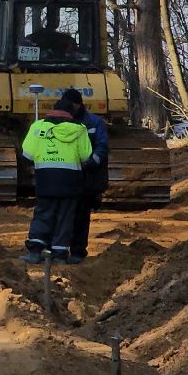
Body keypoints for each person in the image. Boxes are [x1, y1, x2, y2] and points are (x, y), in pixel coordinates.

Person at [20, 89, 92, 264]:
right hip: (70, 180)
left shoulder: (38, 127)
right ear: (71, 112)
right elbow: (86, 156)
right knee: (65, 217)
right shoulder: (80, 129)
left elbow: (27, 154)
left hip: (46, 179)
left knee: (43, 213)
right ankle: (59, 255)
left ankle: (35, 251)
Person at [70, 92, 111, 262]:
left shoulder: (94, 122)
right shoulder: (61, 122)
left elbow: (102, 146)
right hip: (68, 175)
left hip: (87, 176)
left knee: (81, 213)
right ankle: (60, 250)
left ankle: (77, 250)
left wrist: (92, 162)